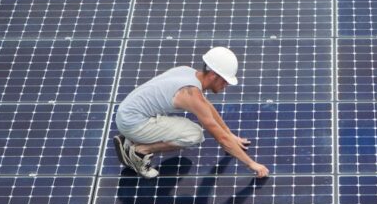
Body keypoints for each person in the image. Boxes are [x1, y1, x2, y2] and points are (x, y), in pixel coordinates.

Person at [112, 47, 269, 179]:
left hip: (127, 114)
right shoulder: (190, 93)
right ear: (214, 75)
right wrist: (252, 164)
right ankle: (138, 152)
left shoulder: (187, 72)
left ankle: (131, 139)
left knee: (190, 128)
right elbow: (221, 139)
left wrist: (230, 134)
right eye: (225, 80)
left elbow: (207, 107)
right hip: (133, 123)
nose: (226, 84)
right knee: (194, 135)